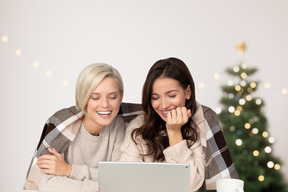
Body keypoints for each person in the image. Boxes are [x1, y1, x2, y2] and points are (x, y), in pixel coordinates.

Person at [120, 57, 238, 191]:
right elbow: (126, 181)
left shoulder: (201, 124)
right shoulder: (138, 126)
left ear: (187, 92)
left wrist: (174, 132)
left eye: (171, 95)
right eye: (155, 97)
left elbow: (189, 185)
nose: (164, 105)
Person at [23, 63, 142, 191]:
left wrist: (69, 171)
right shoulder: (63, 128)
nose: (105, 104)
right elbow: (47, 184)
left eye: (112, 97)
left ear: (120, 97)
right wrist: (102, 187)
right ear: (83, 98)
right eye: (95, 97)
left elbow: (118, 178)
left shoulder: (119, 126)